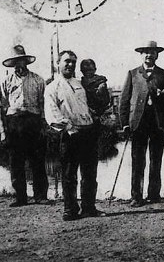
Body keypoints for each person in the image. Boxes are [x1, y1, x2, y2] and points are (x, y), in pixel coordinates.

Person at [44, 50, 104, 221]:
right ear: (58, 63)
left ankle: (89, 207)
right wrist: (70, 128)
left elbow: (90, 104)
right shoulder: (52, 88)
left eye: (73, 62)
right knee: (69, 175)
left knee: (90, 174)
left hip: (88, 132)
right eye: (67, 61)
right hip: (70, 135)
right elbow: (52, 114)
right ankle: (70, 209)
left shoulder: (80, 84)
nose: (70, 65)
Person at [119, 41, 164, 207]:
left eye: (152, 52)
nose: (149, 55)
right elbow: (124, 101)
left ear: (157, 55)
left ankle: (154, 195)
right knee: (137, 162)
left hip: (158, 123)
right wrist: (124, 124)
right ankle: (136, 197)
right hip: (138, 124)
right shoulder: (133, 74)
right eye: (145, 52)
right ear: (141, 55)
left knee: (155, 160)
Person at [0, 45, 48, 207]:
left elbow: (44, 104)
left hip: (34, 122)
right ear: (12, 63)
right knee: (16, 162)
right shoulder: (6, 81)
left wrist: (44, 126)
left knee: (37, 160)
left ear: (26, 61)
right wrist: (3, 131)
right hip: (14, 124)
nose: (19, 64)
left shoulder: (38, 80)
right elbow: (0, 108)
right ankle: (20, 197)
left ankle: (40, 195)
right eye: (15, 61)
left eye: (21, 60)